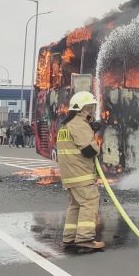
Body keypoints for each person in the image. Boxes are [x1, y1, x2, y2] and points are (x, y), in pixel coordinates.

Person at [57, 91, 105, 252]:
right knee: (90, 202)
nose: (92, 111)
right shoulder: (78, 124)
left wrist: (90, 129)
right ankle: (85, 239)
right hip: (81, 174)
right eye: (90, 107)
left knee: (75, 205)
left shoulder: (66, 125)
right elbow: (89, 150)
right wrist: (96, 142)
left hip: (70, 174)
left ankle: (69, 238)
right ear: (81, 108)